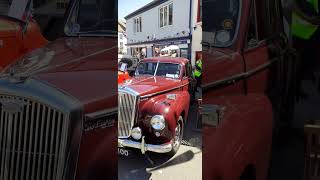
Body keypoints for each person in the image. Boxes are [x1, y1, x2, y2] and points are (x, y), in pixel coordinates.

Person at [291, 0, 320, 98]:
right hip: (303, 34)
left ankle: (296, 89)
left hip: (308, 33)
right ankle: (294, 90)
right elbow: (293, 6)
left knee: (302, 64)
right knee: (298, 64)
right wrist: (307, 18)